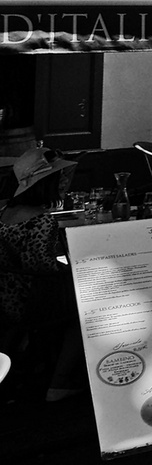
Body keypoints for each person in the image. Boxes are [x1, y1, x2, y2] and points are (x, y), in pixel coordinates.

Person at [1, 146, 78, 402]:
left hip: (5, 297)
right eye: (60, 178)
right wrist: (73, 269)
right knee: (87, 312)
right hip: (28, 302)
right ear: (46, 183)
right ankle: (59, 382)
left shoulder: (4, 214)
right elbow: (43, 268)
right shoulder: (40, 220)